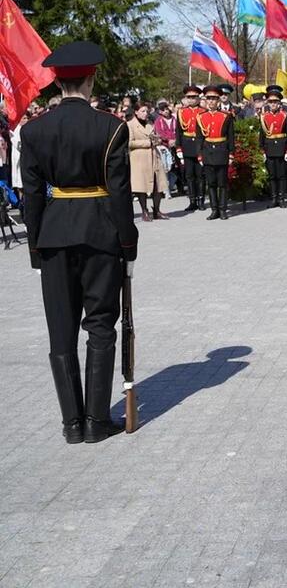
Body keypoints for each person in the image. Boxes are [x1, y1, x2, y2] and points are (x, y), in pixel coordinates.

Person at [20, 41, 138, 444]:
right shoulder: (111, 127)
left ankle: (71, 424)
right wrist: (128, 241)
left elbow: (31, 196)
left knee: (61, 328)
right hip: (101, 232)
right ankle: (95, 421)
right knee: (102, 324)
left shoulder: (34, 130)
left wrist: (35, 246)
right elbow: (120, 192)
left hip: (53, 234)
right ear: (90, 79)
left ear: (57, 81)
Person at [127, 102, 169, 222]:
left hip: (154, 157)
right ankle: (144, 211)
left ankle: (157, 210)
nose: (145, 114)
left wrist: (157, 139)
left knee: (158, 185)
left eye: (147, 111)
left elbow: (154, 137)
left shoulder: (150, 124)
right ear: (136, 112)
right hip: (139, 159)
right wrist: (147, 143)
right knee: (142, 186)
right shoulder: (130, 125)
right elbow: (129, 143)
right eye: (142, 111)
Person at [197, 85, 234, 220]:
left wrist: (231, 154)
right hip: (207, 152)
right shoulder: (200, 117)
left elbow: (231, 136)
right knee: (211, 183)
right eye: (209, 99)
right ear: (206, 100)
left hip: (222, 151)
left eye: (214, 99)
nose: (211, 101)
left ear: (218, 100)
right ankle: (214, 209)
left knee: (222, 183)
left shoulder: (226, 116)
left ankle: (223, 209)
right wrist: (200, 155)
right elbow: (199, 138)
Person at [259, 85, 287, 208]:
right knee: (272, 175)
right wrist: (262, 150)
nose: (273, 104)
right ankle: (274, 198)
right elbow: (262, 134)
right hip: (269, 148)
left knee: (281, 175)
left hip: (281, 147)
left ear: (279, 103)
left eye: (275, 101)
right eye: (270, 102)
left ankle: (282, 198)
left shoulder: (285, 115)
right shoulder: (264, 116)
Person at [176, 85, 205, 211]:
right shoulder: (181, 112)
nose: (191, 99)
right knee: (189, 175)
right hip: (187, 144)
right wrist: (178, 148)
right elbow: (178, 131)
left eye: (194, 97)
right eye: (189, 97)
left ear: (198, 98)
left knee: (200, 175)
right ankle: (192, 200)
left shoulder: (203, 111)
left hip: (200, 146)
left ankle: (201, 200)